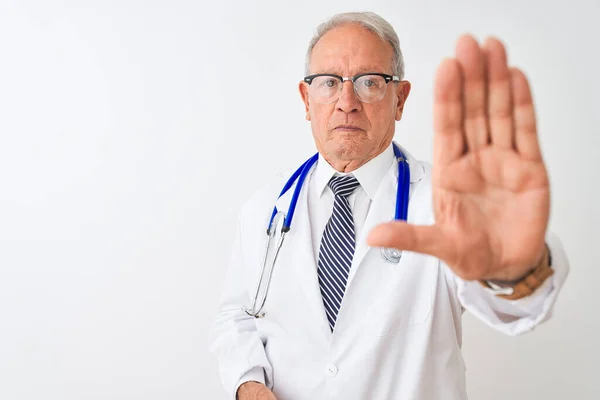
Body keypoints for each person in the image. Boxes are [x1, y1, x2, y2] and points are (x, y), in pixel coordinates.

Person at [209, 11, 569, 400]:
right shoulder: (265, 208)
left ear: (399, 98)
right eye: (329, 82)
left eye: (370, 82)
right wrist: (246, 382)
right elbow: (236, 315)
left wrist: (514, 271)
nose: (347, 102)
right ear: (306, 99)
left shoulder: (448, 203)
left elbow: (516, 308)